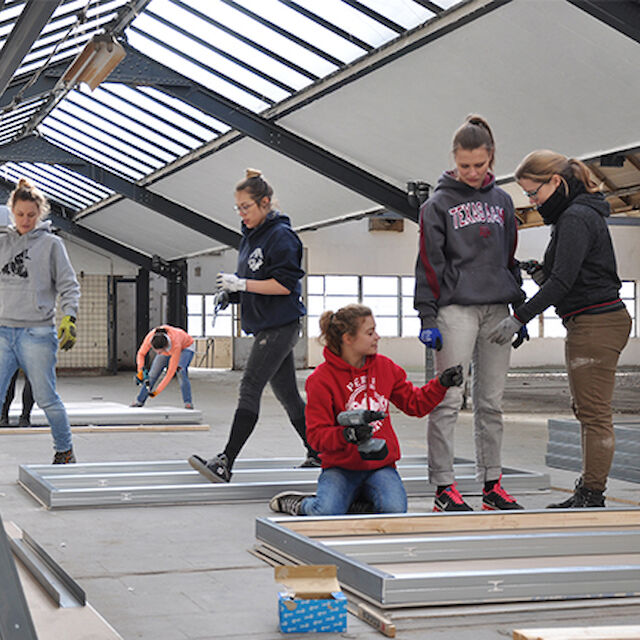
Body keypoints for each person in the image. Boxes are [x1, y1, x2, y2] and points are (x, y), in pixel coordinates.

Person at [489, 150, 632, 508]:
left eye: (534, 193)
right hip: (593, 319)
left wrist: (518, 317)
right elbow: (569, 274)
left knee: (594, 412)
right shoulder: (577, 214)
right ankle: (588, 489)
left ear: (556, 181)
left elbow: (563, 283)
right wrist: (540, 272)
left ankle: (592, 494)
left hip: (597, 322)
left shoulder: (575, 218)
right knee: (586, 409)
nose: (533, 202)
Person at [413, 115, 526, 512]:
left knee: (491, 401)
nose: (473, 173)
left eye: (480, 165)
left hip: (496, 308)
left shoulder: (504, 202)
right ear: (453, 160)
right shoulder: (436, 205)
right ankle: (444, 487)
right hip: (455, 309)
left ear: (491, 157)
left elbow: (508, 258)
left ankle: (492, 484)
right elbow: (429, 262)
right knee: (447, 399)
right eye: (465, 166)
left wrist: (519, 309)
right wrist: (427, 317)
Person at [269, 305, 463, 516]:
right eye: (370, 333)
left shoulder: (385, 368)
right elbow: (315, 437)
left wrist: (441, 384)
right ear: (348, 339)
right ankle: (300, 504)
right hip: (340, 468)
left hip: (380, 467)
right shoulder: (321, 380)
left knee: (394, 510)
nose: (377, 337)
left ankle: (352, 504)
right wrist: (346, 435)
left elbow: (415, 405)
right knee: (324, 512)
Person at [189, 168, 318, 483]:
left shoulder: (281, 237)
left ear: (265, 203)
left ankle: (225, 461)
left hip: (280, 325)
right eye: (238, 208)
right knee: (288, 394)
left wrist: (243, 285)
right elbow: (256, 282)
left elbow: (285, 285)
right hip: (265, 325)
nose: (241, 213)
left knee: (249, 387)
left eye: (246, 207)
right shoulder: (251, 236)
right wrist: (232, 294)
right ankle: (319, 453)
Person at [0, 178, 79, 463]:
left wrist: (69, 316)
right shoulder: (2, 243)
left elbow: (69, 285)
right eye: (20, 214)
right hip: (2, 331)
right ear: (12, 212)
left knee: (46, 397)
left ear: (40, 213)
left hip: (37, 332)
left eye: (31, 215)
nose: (25, 220)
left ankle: (65, 450)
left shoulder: (52, 245)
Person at [131, 325, 195, 409]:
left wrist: (157, 391)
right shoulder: (151, 337)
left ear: (165, 347)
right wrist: (140, 372)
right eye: (156, 351)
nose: (158, 353)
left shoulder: (176, 344)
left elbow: (170, 373)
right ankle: (140, 401)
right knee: (153, 374)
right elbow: (141, 354)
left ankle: (188, 402)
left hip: (186, 347)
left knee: (181, 371)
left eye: (160, 352)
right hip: (168, 347)